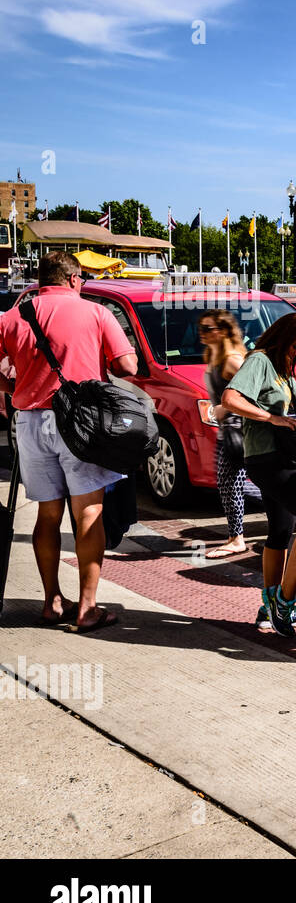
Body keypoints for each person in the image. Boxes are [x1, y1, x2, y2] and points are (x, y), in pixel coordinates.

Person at [0, 251, 138, 630]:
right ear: (75, 279)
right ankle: (88, 608)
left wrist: (8, 388)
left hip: (29, 421)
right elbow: (127, 366)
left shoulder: (14, 316)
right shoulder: (95, 313)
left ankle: (52, 602)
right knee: (89, 512)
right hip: (82, 422)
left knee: (47, 513)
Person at [220, 314, 296, 636]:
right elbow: (230, 399)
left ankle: (269, 604)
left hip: (279, 456)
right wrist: (271, 418)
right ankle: (284, 601)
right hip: (266, 459)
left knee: (280, 530)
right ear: (282, 339)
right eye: (295, 348)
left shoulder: (281, 369)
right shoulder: (260, 361)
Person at [200, 309, 250, 560]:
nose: (203, 334)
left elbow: (253, 390)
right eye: (202, 328)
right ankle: (236, 536)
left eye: (208, 329)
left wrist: (223, 407)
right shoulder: (213, 356)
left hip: (238, 431)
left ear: (222, 331)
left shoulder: (231, 359)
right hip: (226, 431)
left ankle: (236, 539)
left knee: (231, 484)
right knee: (230, 483)